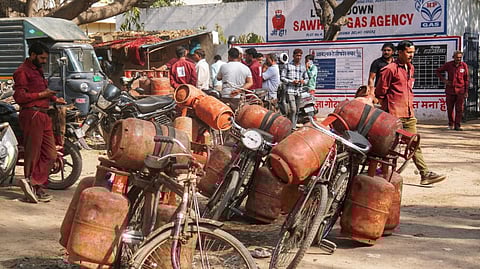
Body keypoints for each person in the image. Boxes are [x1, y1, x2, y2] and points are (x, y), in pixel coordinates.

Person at [375, 40, 446, 186]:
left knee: (414, 144)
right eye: (408, 52)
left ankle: (424, 174)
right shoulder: (390, 69)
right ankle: (381, 173)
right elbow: (380, 93)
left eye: (412, 52)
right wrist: (387, 113)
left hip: (408, 114)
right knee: (389, 147)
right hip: (394, 116)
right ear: (399, 52)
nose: (411, 55)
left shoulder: (410, 68)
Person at [13, 42, 66, 203]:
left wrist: (55, 99)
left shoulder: (38, 70)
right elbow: (20, 98)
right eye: (42, 58)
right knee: (33, 153)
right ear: (33, 55)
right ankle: (33, 186)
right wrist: (43, 94)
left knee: (50, 154)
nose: (44, 61)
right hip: (32, 114)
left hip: (43, 115)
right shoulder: (22, 72)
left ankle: (34, 182)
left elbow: (43, 91)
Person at [435, 50, 469, 131]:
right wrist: (444, 80)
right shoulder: (449, 65)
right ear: (453, 57)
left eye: (460, 57)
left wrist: (466, 91)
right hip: (450, 90)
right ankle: (451, 124)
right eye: (457, 57)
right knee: (450, 109)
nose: (458, 59)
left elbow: (466, 79)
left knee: (459, 108)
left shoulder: (464, 66)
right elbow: (438, 71)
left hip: (460, 90)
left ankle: (457, 125)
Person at [280, 48, 309, 129]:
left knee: (297, 110)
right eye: (297, 55)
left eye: (300, 56)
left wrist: (303, 81)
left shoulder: (303, 67)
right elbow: (282, 77)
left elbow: (307, 79)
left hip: (299, 91)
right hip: (290, 90)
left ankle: (293, 125)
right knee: (293, 109)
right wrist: (291, 81)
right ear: (293, 56)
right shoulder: (288, 66)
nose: (299, 57)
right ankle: (291, 126)